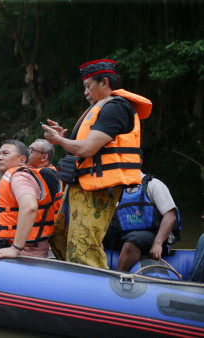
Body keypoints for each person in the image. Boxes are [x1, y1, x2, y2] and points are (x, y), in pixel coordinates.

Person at [42, 59, 153, 269]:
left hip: (98, 188)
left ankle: (94, 287)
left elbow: (87, 149)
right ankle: (76, 278)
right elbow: (82, 153)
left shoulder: (116, 107)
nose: (85, 92)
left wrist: (58, 141)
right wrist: (63, 138)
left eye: (88, 86)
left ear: (104, 83)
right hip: (80, 184)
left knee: (84, 245)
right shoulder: (98, 109)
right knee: (58, 236)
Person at [103, 172, 181, 271]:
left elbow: (170, 215)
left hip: (154, 235)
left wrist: (158, 243)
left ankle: (117, 278)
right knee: (97, 234)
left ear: (139, 161)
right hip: (125, 233)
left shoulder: (154, 185)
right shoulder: (118, 188)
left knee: (133, 241)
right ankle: (96, 271)